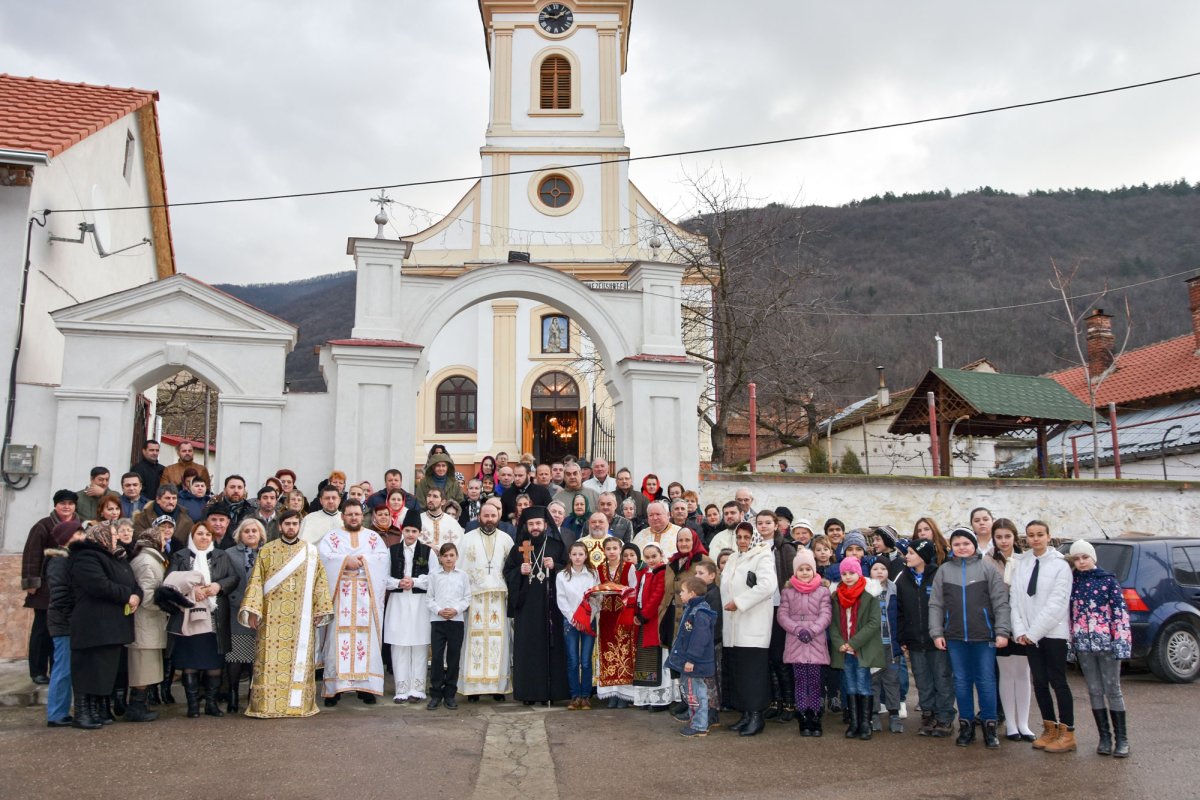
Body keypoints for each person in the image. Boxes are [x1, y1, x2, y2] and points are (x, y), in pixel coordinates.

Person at [238, 509, 334, 718]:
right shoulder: (267, 551)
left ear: (299, 526)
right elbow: (256, 581)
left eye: (295, 524)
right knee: (269, 661)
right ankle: (266, 706)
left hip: (301, 618)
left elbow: (320, 583)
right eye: (287, 524)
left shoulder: (310, 551)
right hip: (271, 618)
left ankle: (296, 705)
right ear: (280, 526)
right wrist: (254, 611)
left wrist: (320, 609)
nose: (291, 527)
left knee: (298, 662)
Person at [929, 526, 1011, 748]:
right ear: (951, 547)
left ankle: (989, 727)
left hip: (984, 636)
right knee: (962, 682)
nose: (962, 547)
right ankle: (965, 727)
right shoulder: (944, 571)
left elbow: (1000, 602)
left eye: (966, 543)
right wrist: (937, 632)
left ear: (973, 544)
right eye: (957, 544)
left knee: (986, 682)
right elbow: (936, 604)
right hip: (955, 637)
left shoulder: (988, 568)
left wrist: (1002, 631)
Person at [69, 523, 142, 729]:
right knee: (88, 671)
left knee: (103, 672)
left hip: (113, 624)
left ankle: (97, 711)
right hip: (93, 623)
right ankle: (82, 713)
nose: (116, 537)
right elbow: (99, 585)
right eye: (111, 534)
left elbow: (133, 583)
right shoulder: (86, 557)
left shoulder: (116, 556)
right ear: (99, 536)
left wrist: (137, 594)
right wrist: (128, 595)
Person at [1011, 519, 1075, 754]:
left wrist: (1034, 632)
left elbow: (1057, 603)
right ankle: (1049, 728)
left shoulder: (1060, 565)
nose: (1035, 539)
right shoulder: (1023, 563)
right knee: (1039, 682)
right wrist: (1020, 631)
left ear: (1048, 536)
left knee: (1058, 682)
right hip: (1028, 635)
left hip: (1053, 633)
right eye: (1031, 535)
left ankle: (1067, 733)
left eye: (1040, 534)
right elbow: (1015, 599)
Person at [318, 499, 390, 704]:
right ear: (342, 516)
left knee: (366, 640)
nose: (353, 517)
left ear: (362, 516)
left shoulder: (373, 538)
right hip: (340, 597)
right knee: (336, 640)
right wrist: (344, 561)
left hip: (366, 599)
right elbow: (324, 558)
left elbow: (382, 560)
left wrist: (363, 561)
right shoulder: (331, 537)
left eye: (357, 514)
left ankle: (366, 687)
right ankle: (335, 689)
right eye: (349, 514)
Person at [1068, 539, 1132, 758]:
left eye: (1084, 557)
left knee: (1112, 688)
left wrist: (1121, 642)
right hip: (1084, 645)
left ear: (1093, 557)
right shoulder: (1073, 582)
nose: (1081, 562)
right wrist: (1072, 643)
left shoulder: (1108, 581)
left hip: (1107, 644)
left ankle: (1121, 739)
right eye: (1076, 559)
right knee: (1094, 689)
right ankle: (1104, 737)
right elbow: (1069, 614)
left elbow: (1120, 614)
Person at [167, 521, 237, 718]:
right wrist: (191, 589)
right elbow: (169, 581)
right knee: (190, 662)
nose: (204, 537)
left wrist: (218, 586)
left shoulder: (221, 556)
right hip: (189, 618)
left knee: (214, 663)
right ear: (192, 536)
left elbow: (233, 578)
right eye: (200, 534)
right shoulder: (180, 556)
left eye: (208, 534)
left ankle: (211, 704)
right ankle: (192, 705)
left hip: (214, 617)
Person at [502, 506, 569, 705]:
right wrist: (518, 572)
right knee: (527, 649)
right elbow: (508, 572)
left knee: (551, 647)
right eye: (531, 524)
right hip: (527, 607)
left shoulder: (557, 546)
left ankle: (551, 692)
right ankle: (528, 694)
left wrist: (555, 567)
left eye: (538, 523)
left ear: (546, 524)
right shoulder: (520, 547)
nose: (535, 527)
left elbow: (569, 570)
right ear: (526, 526)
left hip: (551, 607)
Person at [720, 520, 778, 737]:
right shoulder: (734, 557)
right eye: (739, 537)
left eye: (746, 537)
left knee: (753, 673)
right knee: (739, 672)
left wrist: (740, 602)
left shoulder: (763, 556)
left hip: (753, 624)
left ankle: (756, 716)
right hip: (733, 626)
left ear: (753, 538)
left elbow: (767, 586)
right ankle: (745, 713)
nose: (742, 541)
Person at [895, 539, 955, 738]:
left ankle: (945, 717)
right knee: (922, 680)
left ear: (923, 555)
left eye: (911, 552)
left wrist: (944, 632)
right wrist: (902, 635)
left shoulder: (938, 575)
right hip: (914, 639)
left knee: (942, 678)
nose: (907, 556)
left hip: (936, 639)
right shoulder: (903, 578)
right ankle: (928, 715)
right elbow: (901, 610)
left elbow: (947, 607)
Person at [22, 489, 80, 685]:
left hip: (69, 587)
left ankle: (57, 668)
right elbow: (32, 554)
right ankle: (37, 670)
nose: (67, 506)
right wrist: (32, 582)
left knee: (62, 632)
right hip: (45, 588)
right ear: (55, 505)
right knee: (41, 630)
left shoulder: (79, 526)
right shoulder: (43, 526)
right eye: (62, 503)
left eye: (70, 503)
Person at [458, 502, 515, 701]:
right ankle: (474, 689)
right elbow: (459, 569)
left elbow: (512, 569)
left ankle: (497, 688)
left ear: (498, 516)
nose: (489, 519)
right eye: (486, 515)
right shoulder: (466, 539)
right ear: (479, 517)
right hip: (476, 598)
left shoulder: (507, 539)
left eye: (493, 515)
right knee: (474, 640)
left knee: (498, 641)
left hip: (498, 598)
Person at [776, 548, 832, 737]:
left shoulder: (823, 591)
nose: (805, 572)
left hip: (815, 640)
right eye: (801, 569)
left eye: (808, 568)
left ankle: (815, 714)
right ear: (795, 571)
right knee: (800, 680)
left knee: (815, 681)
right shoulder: (788, 591)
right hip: (796, 640)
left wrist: (813, 629)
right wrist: (797, 629)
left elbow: (826, 614)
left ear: (814, 570)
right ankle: (803, 715)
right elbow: (782, 614)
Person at [990, 518, 1035, 742]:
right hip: (999, 622)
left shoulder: (1025, 559)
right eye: (999, 537)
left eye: (1007, 536)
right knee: (1006, 673)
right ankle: (1010, 723)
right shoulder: (987, 560)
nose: (1003, 541)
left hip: (1022, 622)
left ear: (1014, 537)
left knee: (1023, 673)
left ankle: (1024, 723)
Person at [829, 556, 883, 741]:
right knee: (850, 685)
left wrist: (853, 642)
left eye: (851, 573)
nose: (848, 576)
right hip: (845, 649)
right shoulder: (837, 596)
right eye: (844, 573)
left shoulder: (869, 595)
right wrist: (840, 643)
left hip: (862, 648)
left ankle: (865, 723)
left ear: (859, 573)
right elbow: (834, 623)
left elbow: (874, 622)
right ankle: (854, 722)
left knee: (863, 684)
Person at [383, 509, 433, 704]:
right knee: (399, 644)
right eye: (407, 530)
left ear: (419, 533)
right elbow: (383, 578)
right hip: (398, 603)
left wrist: (414, 581)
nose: (411, 534)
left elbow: (434, 579)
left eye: (414, 531)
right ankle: (401, 688)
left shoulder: (428, 552)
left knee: (419, 644)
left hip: (420, 604)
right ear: (402, 531)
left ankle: (418, 688)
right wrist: (397, 583)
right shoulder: (392, 551)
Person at [125, 522, 171, 723]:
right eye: (163, 539)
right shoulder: (147, 562)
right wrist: (168, 604)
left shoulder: (150, 559)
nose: (165, 542)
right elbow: (147, 595)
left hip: (149, 622)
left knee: (146, 667)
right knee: (142, 668)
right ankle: (136, 707)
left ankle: (140, 705)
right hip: (145, 623)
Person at [45, 520, 85, 728]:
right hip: (64, 622)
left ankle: (60, 710)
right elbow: (61, 595)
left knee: (67, 667)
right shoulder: (60, 561)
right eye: (77, 534)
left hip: (69, 620)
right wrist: (74, 618)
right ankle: (57, 713)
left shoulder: (70, 559)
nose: (81, 537)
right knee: (63, 668)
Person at [666, 575, 718, 737]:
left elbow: (699, 640)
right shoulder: (691, 609)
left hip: (694, 663)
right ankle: (696, 720)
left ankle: (699, 725)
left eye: (683, 591)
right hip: (689, 662)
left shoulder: (700, 613)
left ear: (692, 594)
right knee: (692, 692)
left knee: (695, 693)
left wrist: (691, 659)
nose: (680, 594)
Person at [224, 519, 264, 713]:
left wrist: (258, 608)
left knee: (254, 659)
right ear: (240, 534)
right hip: (237, 611)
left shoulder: (269, 553)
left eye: (254, 531)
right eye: (246, 531)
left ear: (261, 534)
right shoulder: (230, 554)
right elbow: (228, 581)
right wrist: (246, 608)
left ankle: (251, 696)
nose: (250, 534)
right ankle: (232, 695)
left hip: (262, 615)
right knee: (236, 657)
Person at [424, 543, 471, 710]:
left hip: (456, 621)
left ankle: (450, 694)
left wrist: (456, 610)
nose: (448, 559)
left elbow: (467, 598)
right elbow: (429, 598)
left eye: (451, 555)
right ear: (440, 558)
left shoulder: (463, 576)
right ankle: (436, 693)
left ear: (456, 556)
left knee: (453, 657)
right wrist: (439, 611)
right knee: (436, 657)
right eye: (445, 556)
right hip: (438, 621)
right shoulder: (434, 575)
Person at [594, 536, 638, 708]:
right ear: (604, 551)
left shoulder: (629, 567)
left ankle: (625, 695)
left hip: (623, 614)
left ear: (620, 550)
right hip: (606, 616)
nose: (611, 552)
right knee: (608, 653)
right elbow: (596, 591)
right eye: (608, 549)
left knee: (626, 653)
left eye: (614, 548)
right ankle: (612, 692)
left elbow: (634, 590)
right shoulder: (599, 569)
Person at [557, 541, 599, 710]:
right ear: (569, 556)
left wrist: (590, 616)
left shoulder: (593, 574)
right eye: (574, 554)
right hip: (571, 621)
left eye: (581, 554)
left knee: (586, 661)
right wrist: (572, 618)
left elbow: (597, 597)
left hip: (589, 620)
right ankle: (575, 696)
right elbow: (561, 599)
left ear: (586, 555)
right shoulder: (562, 576)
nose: (577, 557)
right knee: (573, 660)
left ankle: (586, 696)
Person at [632, 543, 673, 710]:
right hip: (644, 622)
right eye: (647, 557)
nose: (650, 560)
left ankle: (660, 699)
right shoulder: (645, 573)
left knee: (657, 659)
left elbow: (657, 596)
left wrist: (643, 615)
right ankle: (647, 697)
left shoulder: (662, 572)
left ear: (661, 555)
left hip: (655, 621)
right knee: (645, 660)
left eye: (654, 556)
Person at [867, 559, 903, 733]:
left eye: (883, 568)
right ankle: (873, 713)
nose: (879, 571)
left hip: (891, 644)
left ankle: (894, 713)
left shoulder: (895, 590)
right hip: (873, 646)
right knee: (873, 680)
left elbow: (900, 617)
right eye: (875, 568)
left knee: (892, 679)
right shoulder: (865, 590)